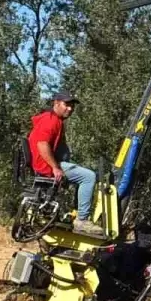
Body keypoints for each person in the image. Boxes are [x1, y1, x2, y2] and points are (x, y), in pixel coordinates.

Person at [27, 91, 104, 238]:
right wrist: (55, 168)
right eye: (67, 105)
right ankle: (82, 220)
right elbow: (42, 144)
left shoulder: (50, 119)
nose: (70, 109)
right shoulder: (52, 120)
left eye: (72, 106)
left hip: (44, 164)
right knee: (88, 177)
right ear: (56, 103)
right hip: (46, 166)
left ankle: (75, 212)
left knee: (81, 173)